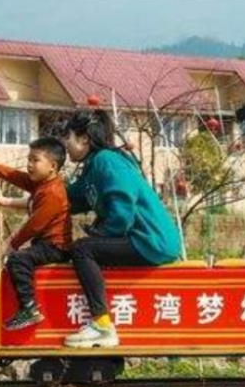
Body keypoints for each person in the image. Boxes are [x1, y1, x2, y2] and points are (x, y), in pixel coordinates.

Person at [61, 110, 182, 349]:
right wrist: (29, 197)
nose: (65, 144)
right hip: (144, 240)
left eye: (68, 137)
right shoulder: (92, 168)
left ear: (84, 138)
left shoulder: (106, 160)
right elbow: (67, 199)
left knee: (83, 250)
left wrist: (100, 234)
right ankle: (101, 322)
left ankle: (102, 326)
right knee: (86, 249)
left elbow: (122, 210)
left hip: (151, 240)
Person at [0, 137, 72, 331]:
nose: (29, 165)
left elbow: (35, 225)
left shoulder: (53, 193)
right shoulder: (42, 184)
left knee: (17, 260)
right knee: (20, 258)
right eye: (29, 159)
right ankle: (27, 307)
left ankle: (30, 308)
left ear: (52, 166)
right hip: (46, 245)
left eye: (35, 160)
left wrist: (13, 243)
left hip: (55, 247)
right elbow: (17, 176)